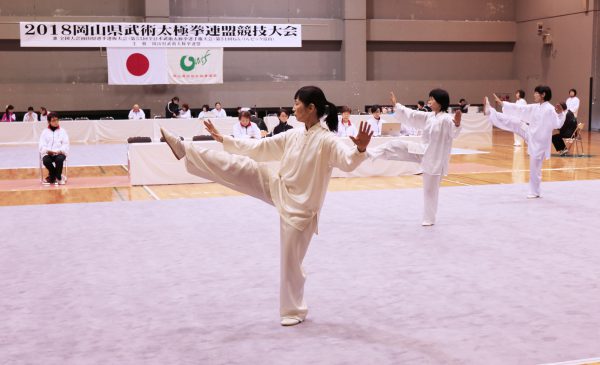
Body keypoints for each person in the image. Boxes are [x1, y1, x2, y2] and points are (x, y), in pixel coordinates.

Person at [160, 85, 373, 326]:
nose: (293, 109)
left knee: (290, 261)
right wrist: (223, 139)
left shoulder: (327, 140)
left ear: (311, 108)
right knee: (239, 166)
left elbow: (347, 162)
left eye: (297, 104)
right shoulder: (293, 134)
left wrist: (361, 148)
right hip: (277, 186)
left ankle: (293, 310)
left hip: (301, 210)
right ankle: (185, 149)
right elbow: (260, 148)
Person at [370, 89, 462, 226]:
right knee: (396, 145)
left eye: (432, 99)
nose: (429, 102)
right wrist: (397, 106)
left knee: (430, 191)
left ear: (440, 102)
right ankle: (371, 153)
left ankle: (429, 218)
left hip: (435, 160)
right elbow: (412, 115)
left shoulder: (447, 119)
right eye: (429, 99)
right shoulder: (429, 116)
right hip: (422, 151)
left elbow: (454, 132)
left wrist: (457, 124)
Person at [483, 85, 563, 198]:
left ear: (543, 94)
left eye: (536, 93)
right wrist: (502, 103)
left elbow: (557, 124)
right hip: (530, 134)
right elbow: (520, 109)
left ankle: (535, 192)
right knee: (514, 122)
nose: (534, 95)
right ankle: (491, 112)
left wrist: (560, 113)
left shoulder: (549, 109)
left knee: (535, 168)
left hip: (540, 142)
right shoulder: (536, 107)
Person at [39, 113, 70, 185]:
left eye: (57, 120)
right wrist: (47, 150)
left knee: (59, 160)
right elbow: (41, 144)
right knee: (46, 161)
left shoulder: (63, 131)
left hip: (60, 153)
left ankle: (57, 178)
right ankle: (53, 174)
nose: (56, 122)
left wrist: (60, 150)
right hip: (48, 153)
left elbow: (66, 143)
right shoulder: (45, 132)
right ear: (49, 122)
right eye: (53, 120)